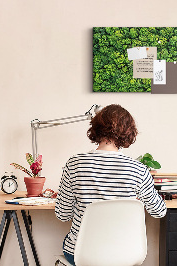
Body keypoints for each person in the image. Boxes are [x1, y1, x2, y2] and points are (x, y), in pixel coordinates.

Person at [55, 104, 167, 266]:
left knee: (71, 240)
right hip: (126, 255)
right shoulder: (138, 170)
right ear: (128, 132)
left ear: (96, 128)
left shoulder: (75, 164)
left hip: (82, 256)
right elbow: (159, 211)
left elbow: (63, 215)